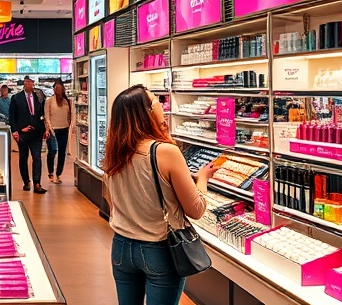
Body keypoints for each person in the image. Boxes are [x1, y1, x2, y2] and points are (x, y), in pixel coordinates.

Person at [103, 85, 217, 305]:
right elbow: (196, 210)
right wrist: (203, 179)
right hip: (159, 249)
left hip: (121, 247)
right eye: (156, 101)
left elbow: (112, 203)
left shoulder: (114, 151)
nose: (161, 105)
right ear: (146, 112)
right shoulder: (165, 151)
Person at [8, 76, 48, 194]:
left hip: (36, 132)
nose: (28, 84)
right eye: (26, 82)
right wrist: (16, 130)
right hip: (23, 133)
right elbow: (12, 116)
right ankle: (26, 181)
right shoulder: (16, 98)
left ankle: (37, 183)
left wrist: (45, 129)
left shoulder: (39, 97)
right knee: (23, 158)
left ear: (33, 83)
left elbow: (42, 114)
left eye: (30, 82)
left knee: (37, 157)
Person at [45, 80, 75, 184]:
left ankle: (58, 174)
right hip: (53, 130)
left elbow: (70, 116)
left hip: (64, 129)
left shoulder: (67, 101)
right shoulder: (49, 101)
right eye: (56, 88)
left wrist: (71, 128)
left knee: (62, 153)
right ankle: (50, 173)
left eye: (60, 88)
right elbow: (47, 116)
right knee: (52, 151)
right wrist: (49, 129)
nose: (58, 90)